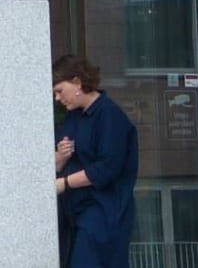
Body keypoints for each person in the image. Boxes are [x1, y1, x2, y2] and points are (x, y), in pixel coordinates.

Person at [52, 53, 139, 268]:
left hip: (103, 212)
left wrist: (64, 183)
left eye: (60, 91)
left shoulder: (110, 115)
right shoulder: (73, 117)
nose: (57, 98)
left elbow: (107, 168)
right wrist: (60, 158)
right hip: (74, 213)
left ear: (77, 82)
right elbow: (58, 161)